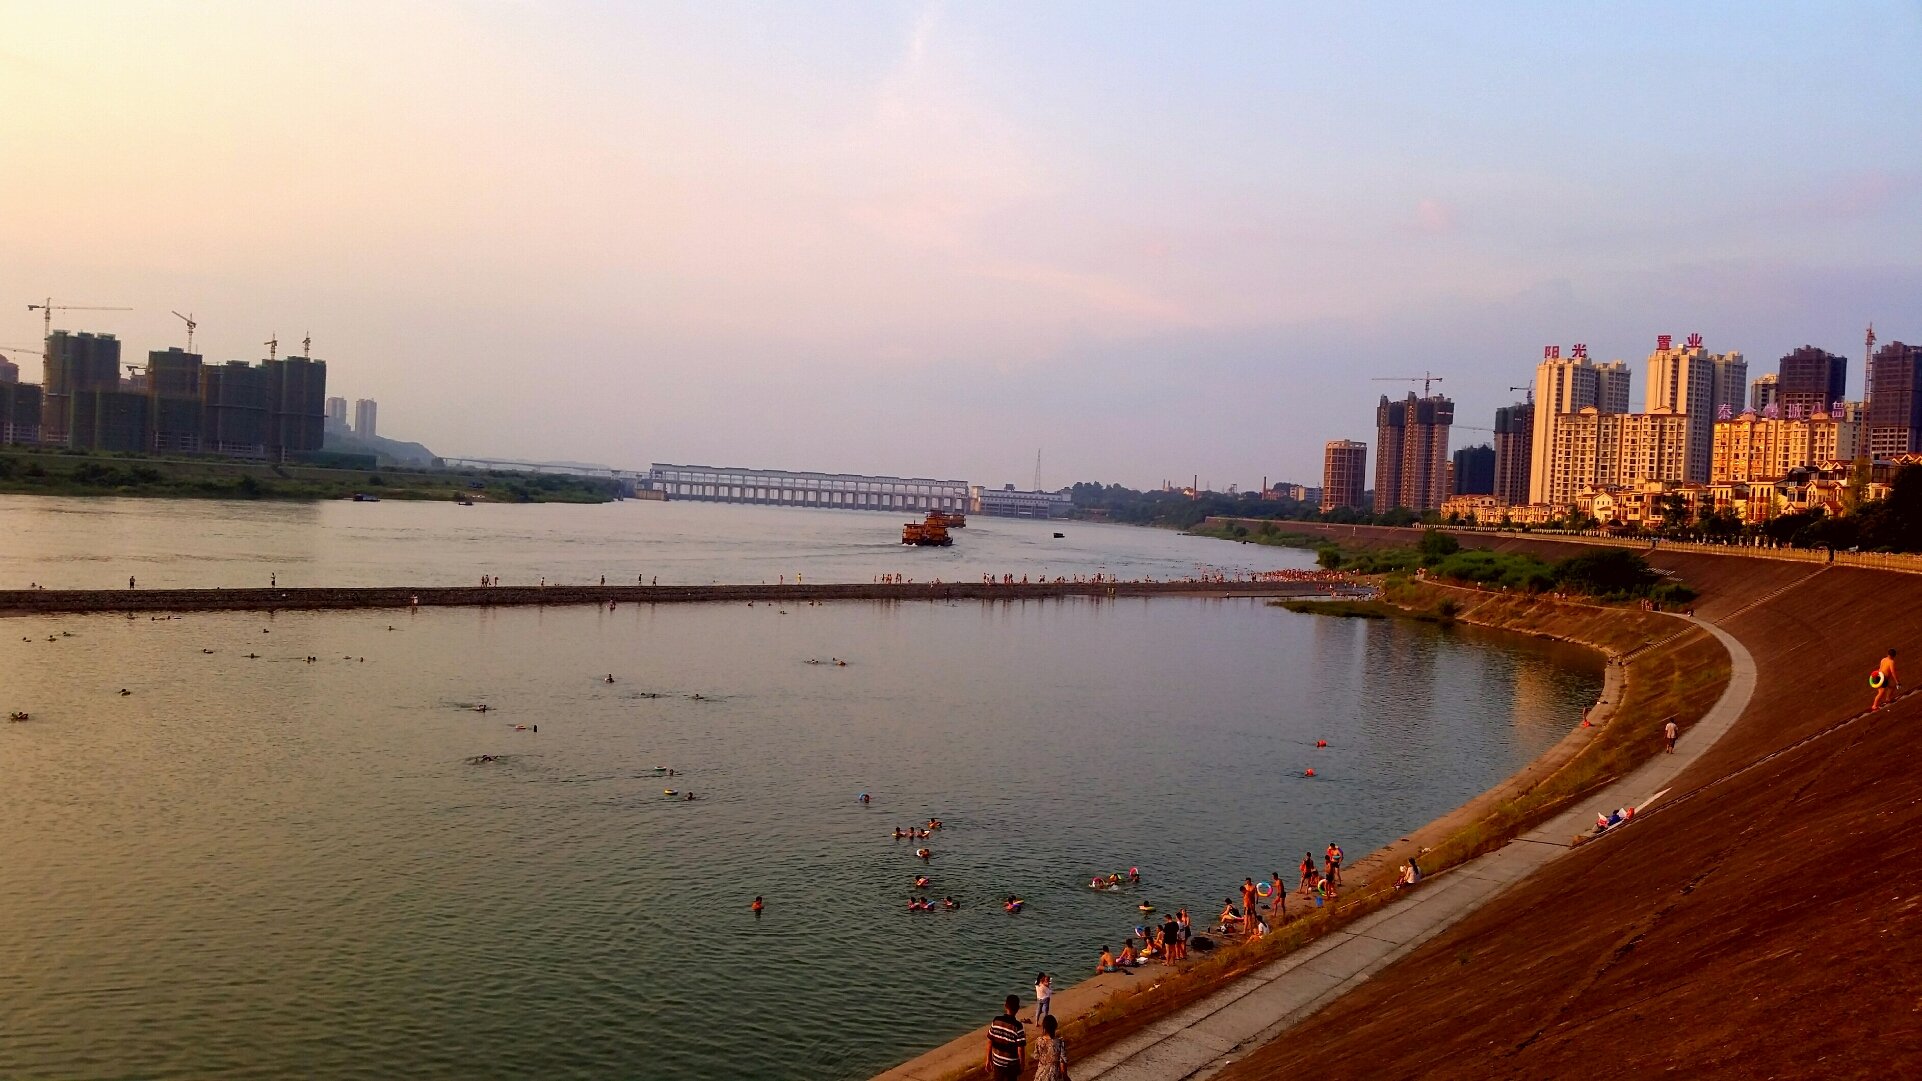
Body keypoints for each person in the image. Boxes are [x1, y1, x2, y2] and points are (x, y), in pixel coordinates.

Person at [985, 995, 1026, 1081]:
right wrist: (1022, 1064)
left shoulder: (996, 1021)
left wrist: (988, 1059)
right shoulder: (1018, 1026)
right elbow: (1020, 1048)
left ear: (1005, 1006)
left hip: (997, 1062)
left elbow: (989, 1041)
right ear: (1018, 1008)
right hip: (1011, 1064)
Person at [1031, 1014, 1070, 1081]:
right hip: (1054, 1076)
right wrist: (1065, 1076)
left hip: (1041, 1075)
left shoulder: (1038, 1041)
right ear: (1055, 1026)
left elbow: (1036, 1056)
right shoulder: (1060, 1042)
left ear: (1044, 1027)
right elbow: (1063, 1062)